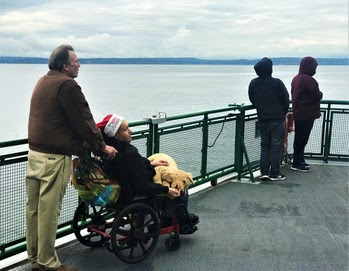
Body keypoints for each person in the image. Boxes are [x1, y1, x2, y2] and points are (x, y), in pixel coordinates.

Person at [26, 45, 117, 271]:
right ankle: (48, 263)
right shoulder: (67, 86)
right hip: (53, 159)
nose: (79, 64)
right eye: (76, 61)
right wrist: (102, 147)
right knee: (49, 212)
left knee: (34, 210)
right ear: (65, 65)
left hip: (34, 155)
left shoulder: (43, 81)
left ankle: (35, 258)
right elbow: (84, 122)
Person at [96, 114, 199, 229]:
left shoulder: (108, 151)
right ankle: (179, 220)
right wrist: (167, 190)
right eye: (126, 129)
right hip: (133, 196)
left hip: (118, 194)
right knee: (180, 188)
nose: (130, 131)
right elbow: (142, 187)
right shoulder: (130, 153)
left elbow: (132, 165)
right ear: (116, 135)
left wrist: (151, 163)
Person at [248, 57, 289, 181]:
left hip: (263, 119)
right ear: (270, 69)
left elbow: (252, 99)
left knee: (265, 145)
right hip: (277, 119)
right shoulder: (277, 82)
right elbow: (285, 99)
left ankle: (264, 172)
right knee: (276, 145)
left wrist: (261, 108)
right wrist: (282, 113)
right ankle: (275, 172)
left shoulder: (254, 83)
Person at [291, 56, 323, 172]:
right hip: (307, 114)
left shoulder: (296, 78)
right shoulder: (309, 80)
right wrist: (321, 94)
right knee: (303, 138)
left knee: (299, 138)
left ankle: (298, 159)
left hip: (298, 112)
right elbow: (316, 95)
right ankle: (297, 162)